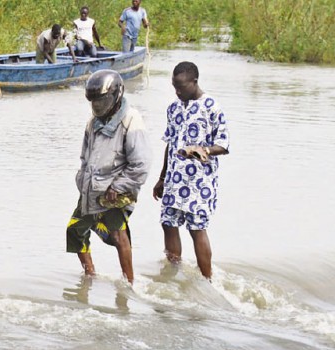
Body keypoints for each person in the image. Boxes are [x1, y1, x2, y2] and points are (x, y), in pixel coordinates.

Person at [67, 70, 150, 284]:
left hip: (115, 192)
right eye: (94, 101)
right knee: (75, 230)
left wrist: (118, 187)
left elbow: (140, 165)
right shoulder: (92, 123)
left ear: (116, 95)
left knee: (118, 235)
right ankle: (89, 275)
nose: (97, 106)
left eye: (101, 100)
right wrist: (82, 181)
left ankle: (128, 283)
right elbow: (85, 157)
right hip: (91, 188)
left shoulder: (131, 120)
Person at [152, 61, 230, 280]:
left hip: (199, 183)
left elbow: (223, 145)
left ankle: (207, 279)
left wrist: (202, 149)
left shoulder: (211, 107)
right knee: (168, 224)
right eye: (174, 87)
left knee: (196, 229)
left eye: (182, 87)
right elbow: (170, 143)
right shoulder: (174, 108)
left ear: (194, 82)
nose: (177, 92)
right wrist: (161, 178)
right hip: (174, 180)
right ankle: (173, 273)